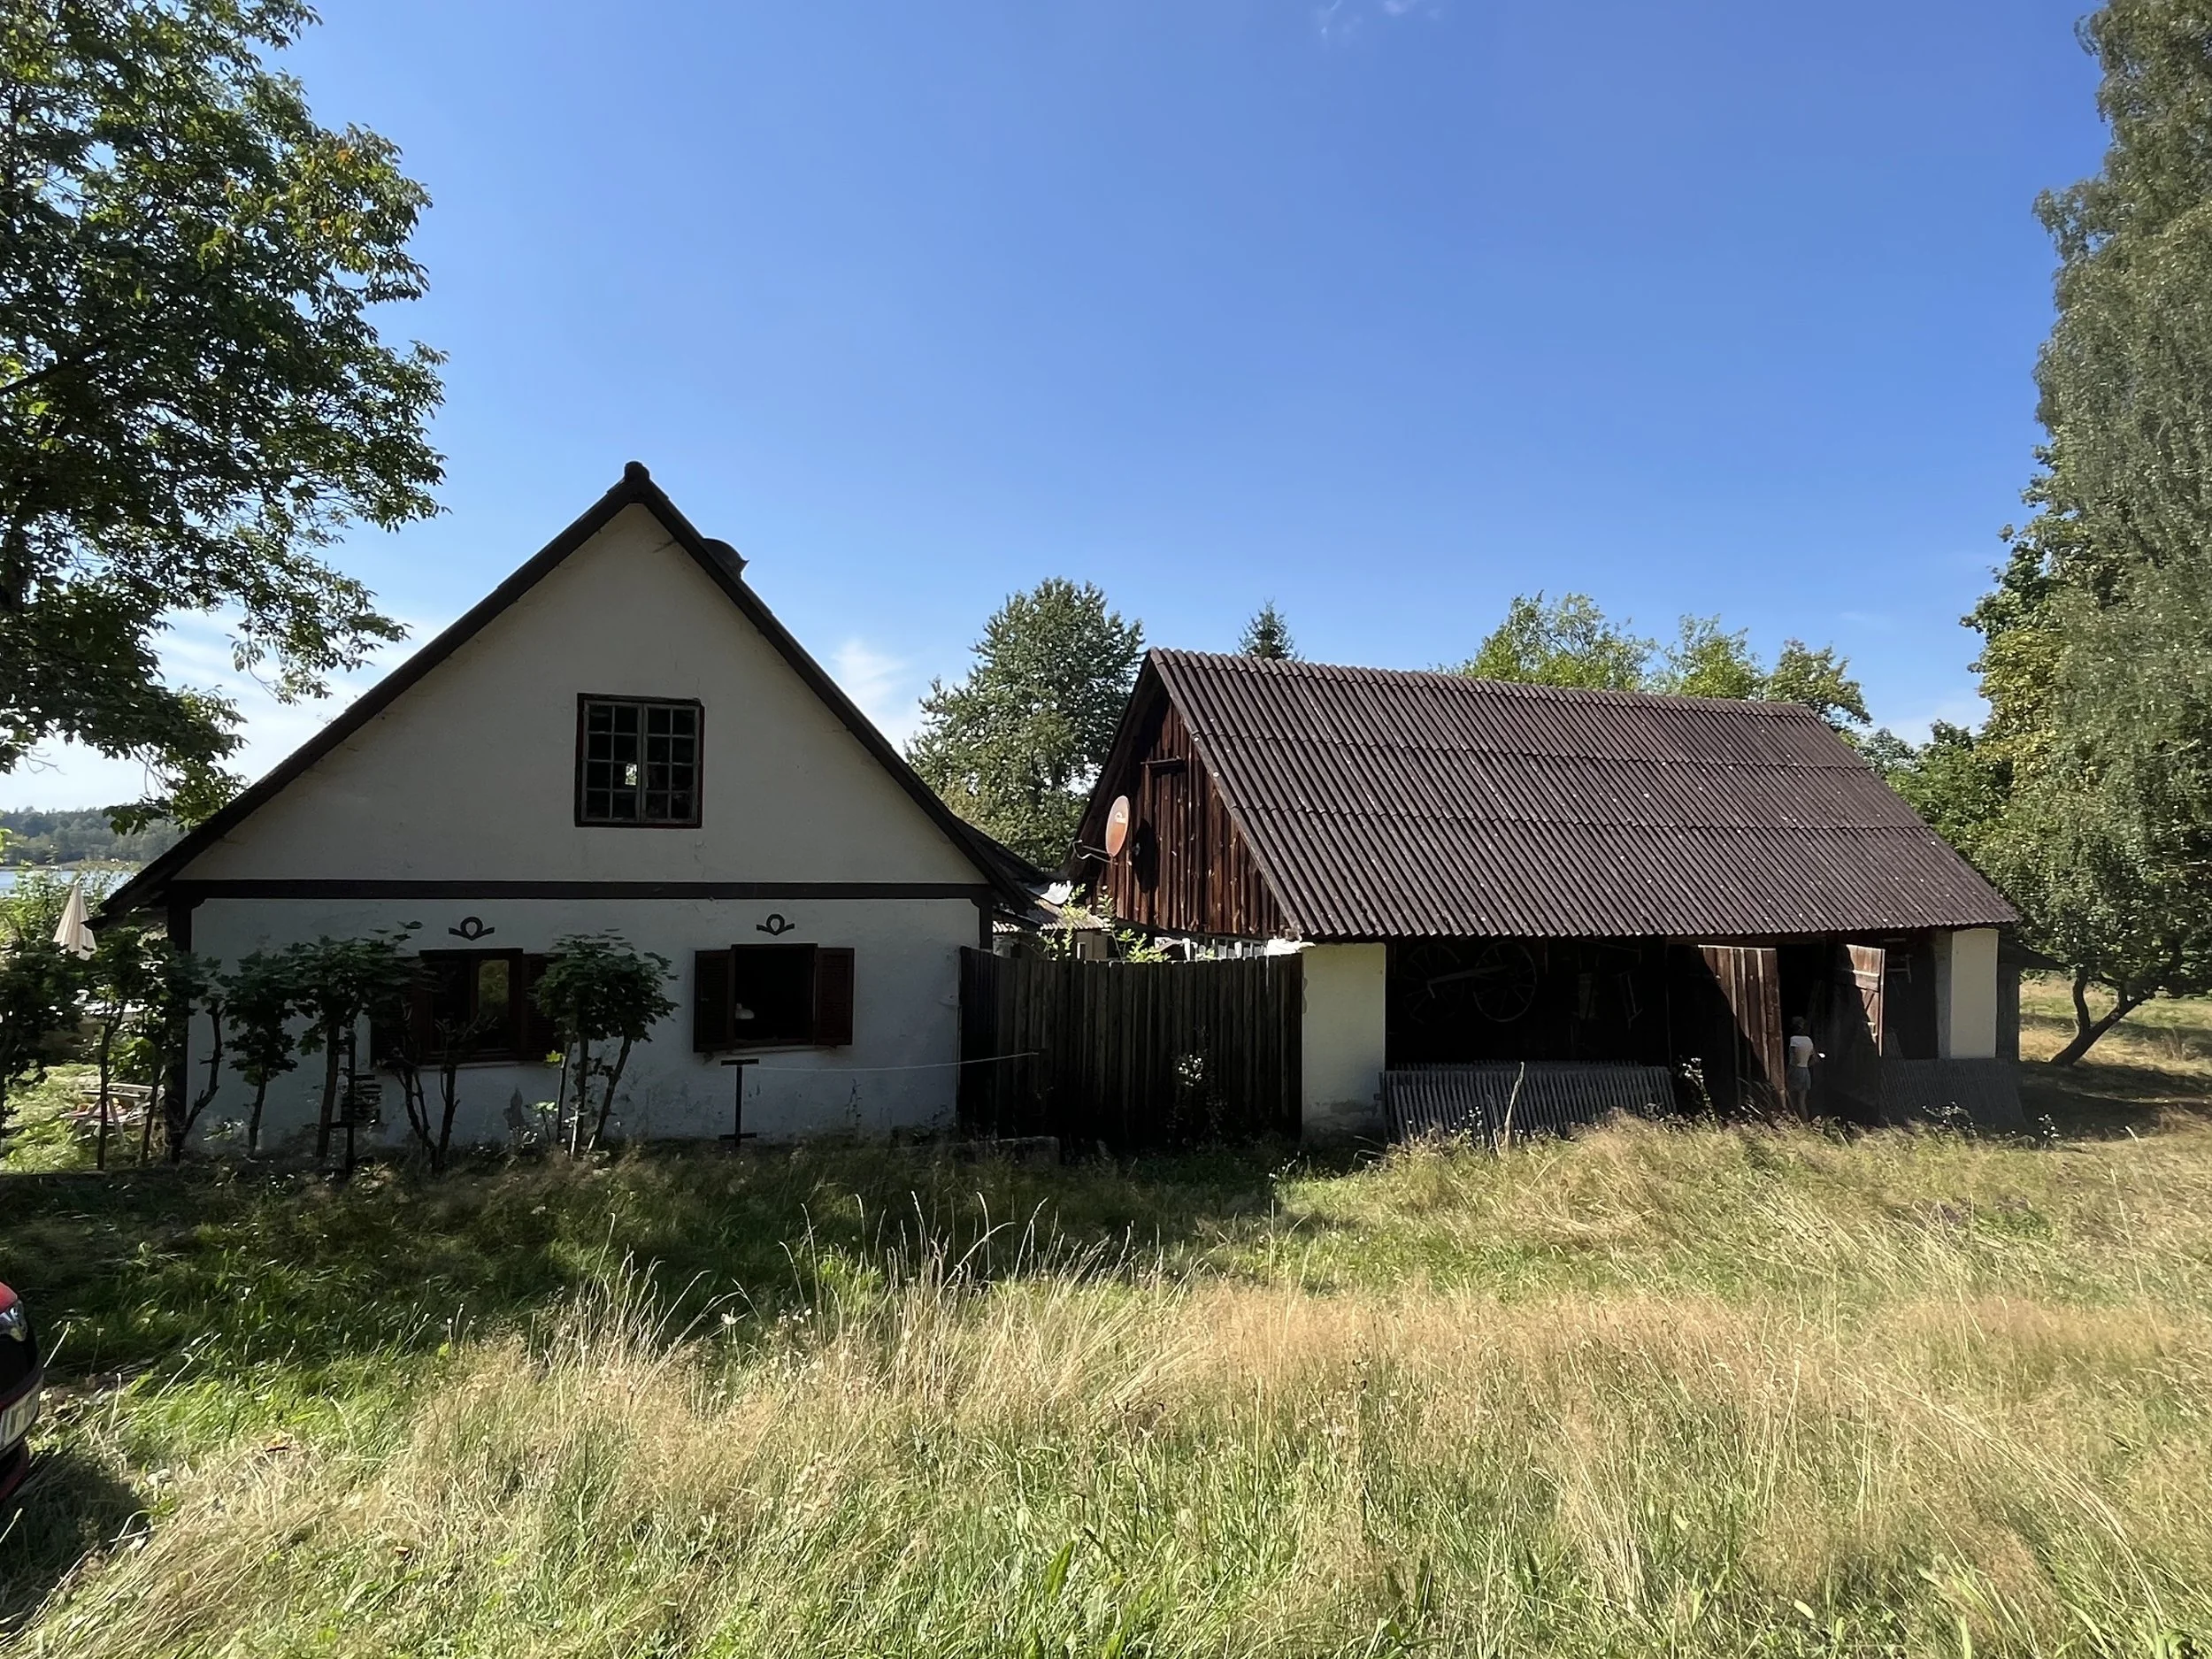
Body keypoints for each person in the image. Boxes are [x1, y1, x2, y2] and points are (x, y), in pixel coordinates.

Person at [1787, 1018, 1818, 1116]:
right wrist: (1806, 1065)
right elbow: (1815, 1059)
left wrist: (1788, 1073)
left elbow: (1792, 1058)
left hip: (1794, 1070)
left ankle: (1794, 1120)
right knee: (1802, 1102)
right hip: (1805, 1072)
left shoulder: (1793, 1040)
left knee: (1791, 1099)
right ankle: (1805, 1125)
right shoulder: (1808, 1040)